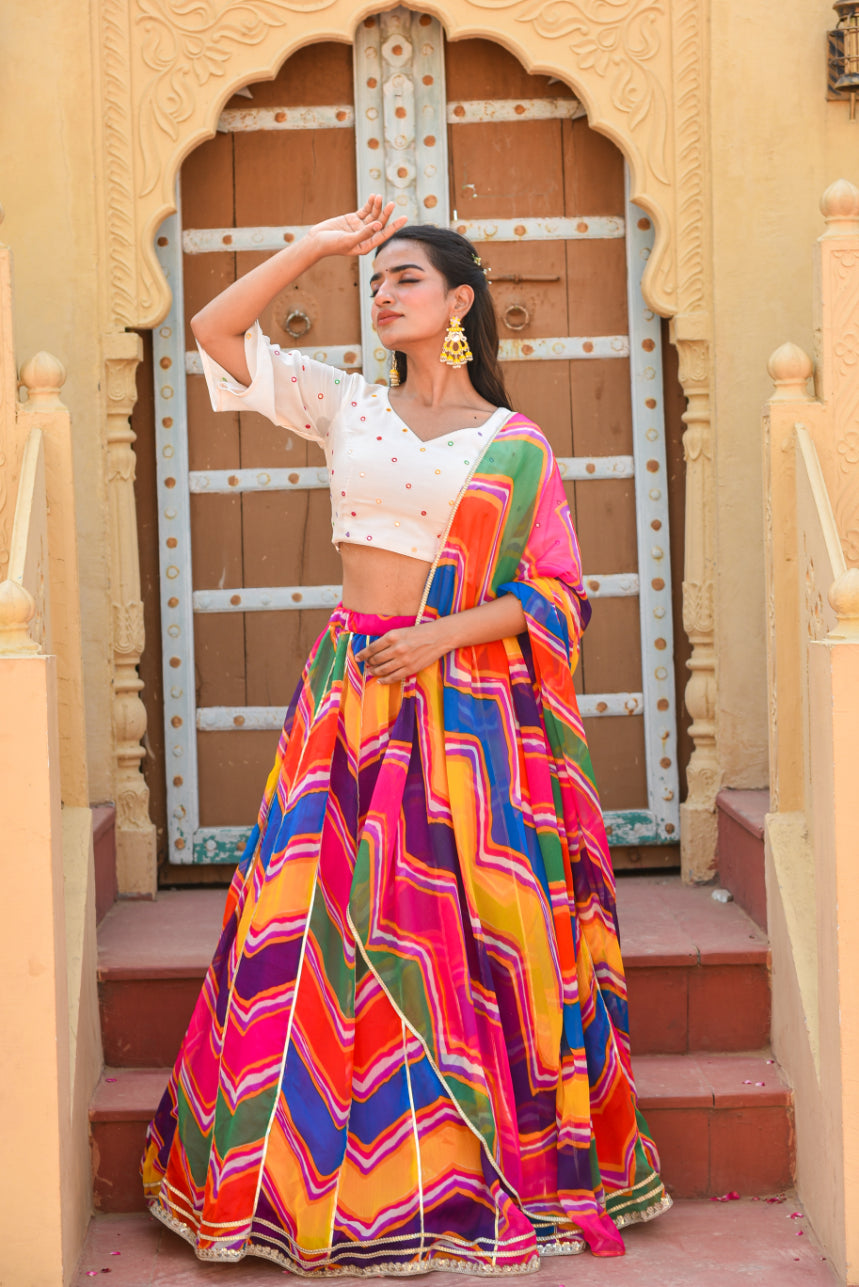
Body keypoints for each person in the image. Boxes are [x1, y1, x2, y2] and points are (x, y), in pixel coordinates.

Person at [141, 196, 671, 1274]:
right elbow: (212, 330)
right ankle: (311, 1186)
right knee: (315, 923)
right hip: (349, 699)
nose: (382, 294)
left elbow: (559, 595)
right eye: (373, 282)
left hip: (464, 714)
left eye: (405, 279)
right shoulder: (345, 406)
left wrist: (440, 639)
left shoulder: (511, 446)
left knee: (463, 940)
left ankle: (465, 1168)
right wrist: (314, 242)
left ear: (460, 301)